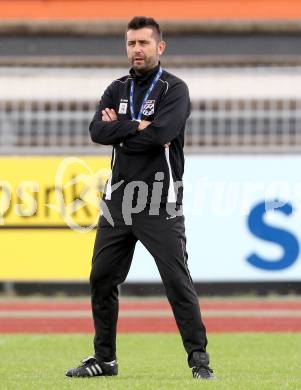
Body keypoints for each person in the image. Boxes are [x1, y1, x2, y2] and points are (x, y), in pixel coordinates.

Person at [66, 16, 214, 380]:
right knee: (101, 278)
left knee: (177, 281)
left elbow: (163, 132)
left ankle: (199, 360)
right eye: (131, 43)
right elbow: (97, 131)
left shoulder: (174, 89)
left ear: (159, 47)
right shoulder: (116, 88)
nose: (137, 49)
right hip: (118, 200)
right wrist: (135, 126)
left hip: (159, 200)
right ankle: (105, 359)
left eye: (144, 43)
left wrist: (122, 128)